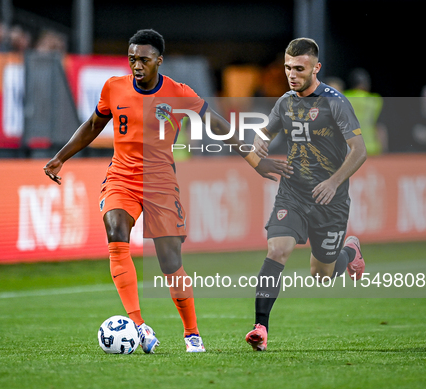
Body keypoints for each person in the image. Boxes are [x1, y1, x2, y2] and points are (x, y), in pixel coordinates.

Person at [44, 29, 292, 353]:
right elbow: (93, 124)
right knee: (116, 232)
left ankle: (192, 333)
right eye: (132, 58)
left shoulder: (178, 93)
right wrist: (60, 158)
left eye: (144, 60)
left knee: (169, 262)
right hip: (122, 176)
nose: (136, 65)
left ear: (158, 61)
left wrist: (254, 159)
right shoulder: (113, 87)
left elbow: (216, 124)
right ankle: (138, 324)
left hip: (160, 183)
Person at [246, 38, 367, 351]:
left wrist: (334, 181)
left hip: (330, 199)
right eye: (288, 67)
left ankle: (349, 252)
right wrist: (259, 140)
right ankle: (261, 328)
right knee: (277, 251)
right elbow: (266, 131)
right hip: (294, 194)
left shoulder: (335, 103)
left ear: (316, 68)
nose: (291, 74)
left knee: (321, 274)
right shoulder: (285, 102)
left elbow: (359, 151)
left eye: (299, 68)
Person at [344, 68, 386, 155]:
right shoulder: (374, 100)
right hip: (370, 147)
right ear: (366, 84)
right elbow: (379, 126)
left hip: (348, 147)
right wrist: (384, 148)